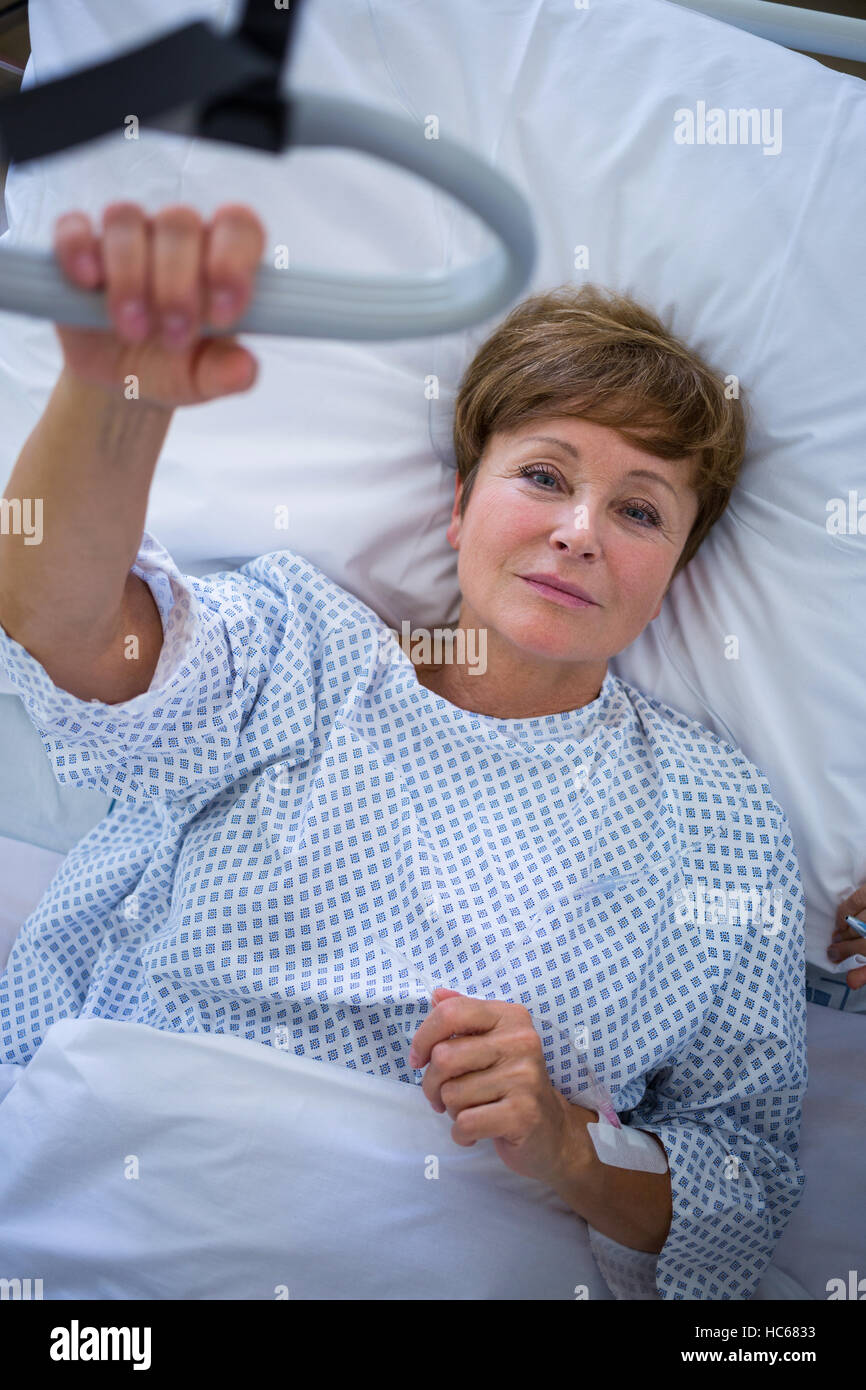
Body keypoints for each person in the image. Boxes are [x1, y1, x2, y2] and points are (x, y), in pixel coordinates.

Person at [0, 201, 833, 1301]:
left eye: (639, 512)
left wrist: (569, 1146)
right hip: (115, 1221)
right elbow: (59, 624)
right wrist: (114, 394)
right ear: (459, 505)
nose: (579, 530)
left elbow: (748, 1185)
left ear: (674, 571)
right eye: (544, 476)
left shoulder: (718, 818)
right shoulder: (299, 654)